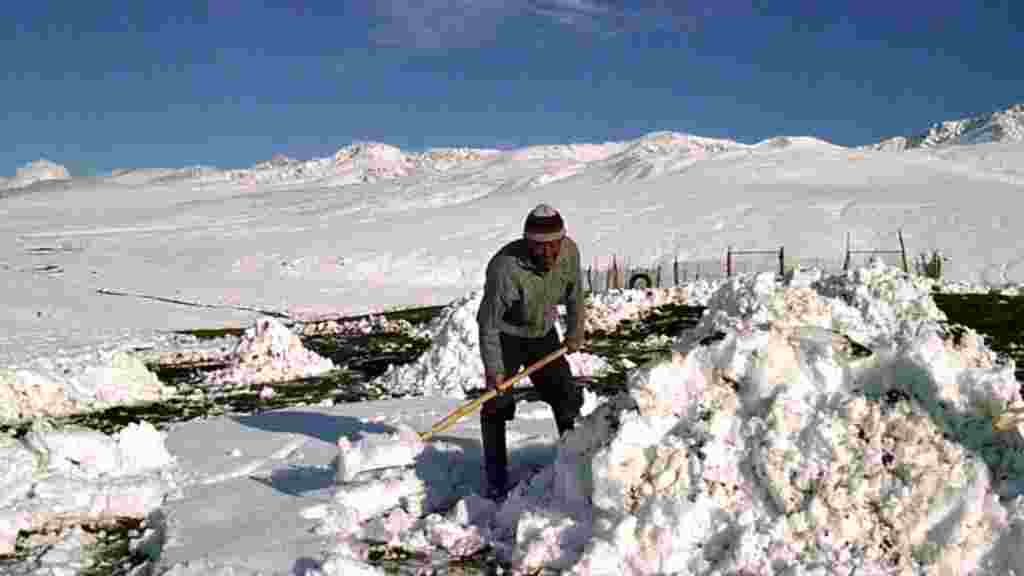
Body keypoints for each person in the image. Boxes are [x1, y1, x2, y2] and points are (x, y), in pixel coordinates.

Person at [476, 203, 586, 499]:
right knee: (496, 402)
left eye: (554, 245)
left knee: (565, 396)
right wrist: (495, 370)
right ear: (527, 242)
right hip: (506, 336)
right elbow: (487, 323)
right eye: (539, 247)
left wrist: (576, 329)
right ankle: (496, 477)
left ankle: (575, 464)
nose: (548, 254)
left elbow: (576, 293)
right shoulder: (505, 269)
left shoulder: (570, 253)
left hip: (543, 334)